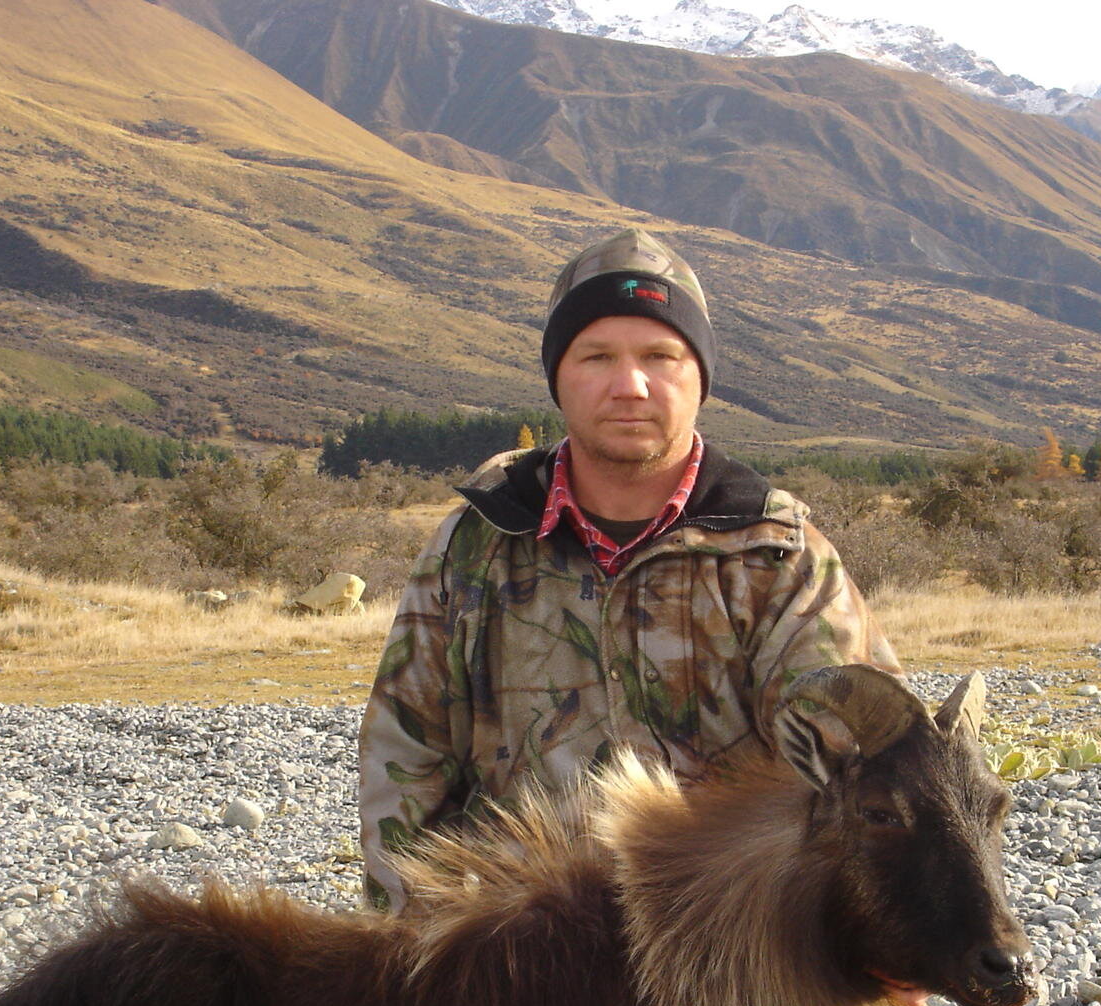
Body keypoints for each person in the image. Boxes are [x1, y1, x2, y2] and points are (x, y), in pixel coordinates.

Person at [357, 228, 898, 911]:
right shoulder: (474, 545)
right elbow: (404, 759)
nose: (630, 385)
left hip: (730, 946)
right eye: (597, 356)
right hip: (517, 948)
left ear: (700, 376)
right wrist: (408, 952)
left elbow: (870, 767)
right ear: (558, 377)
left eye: (660, 355)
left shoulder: (778, 556)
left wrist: (874, 945)